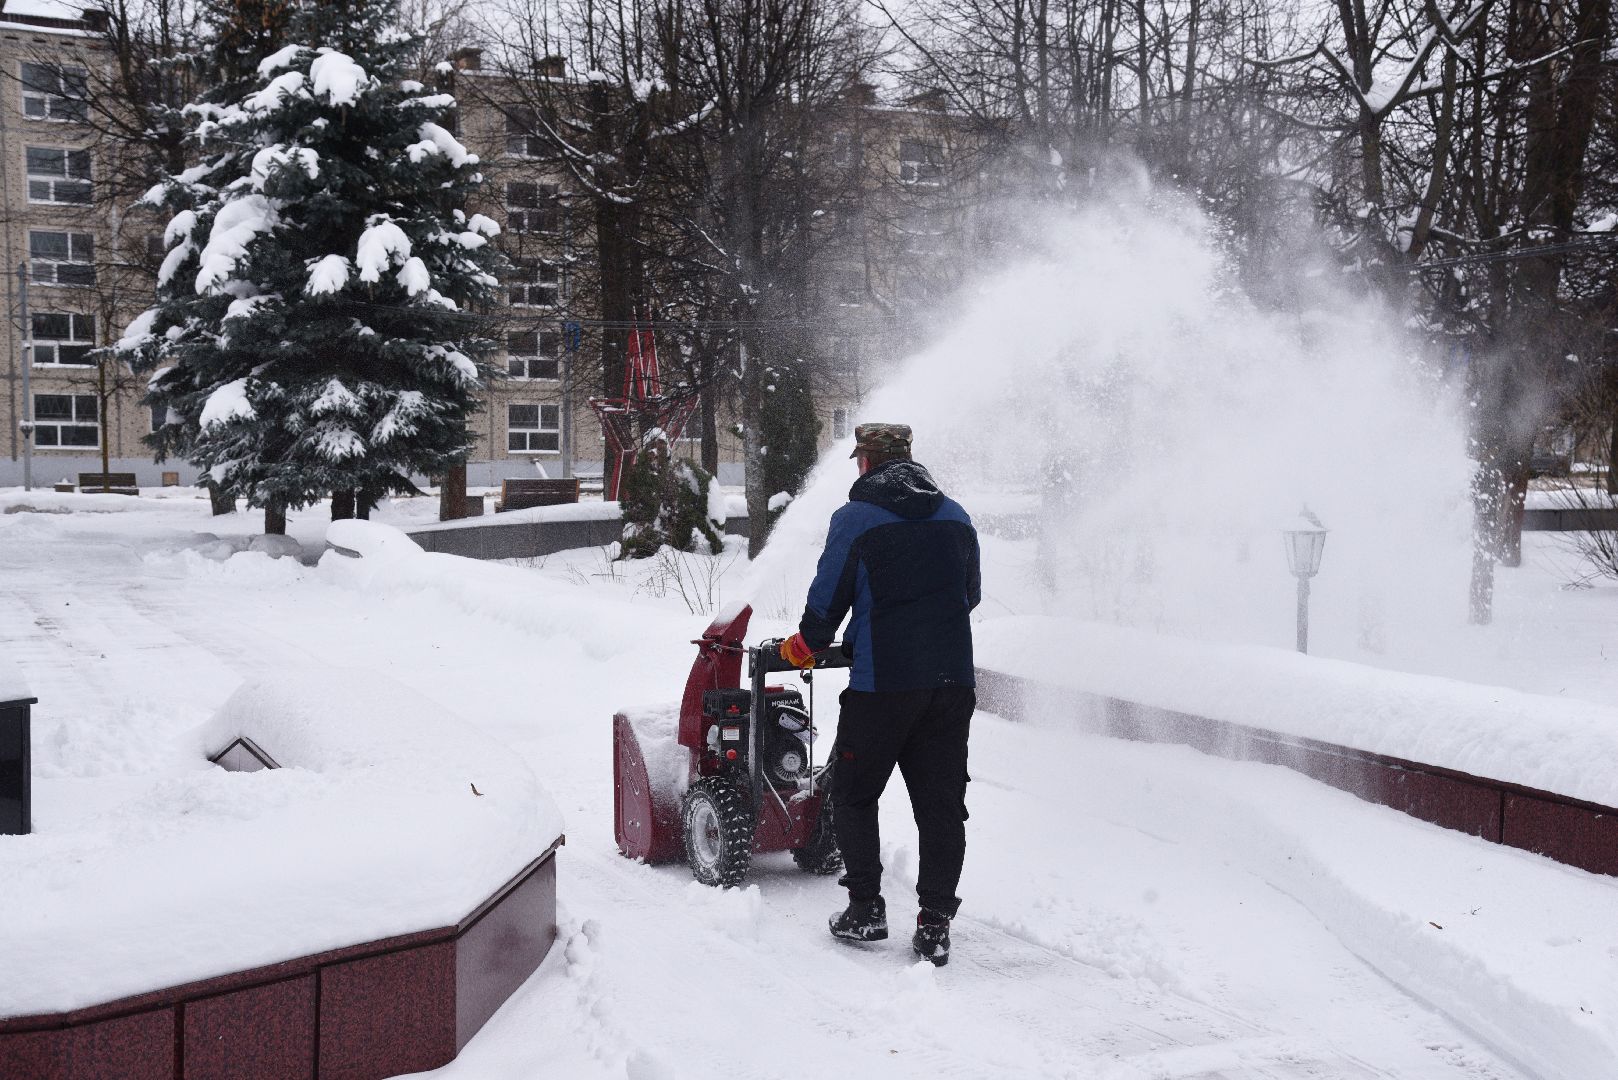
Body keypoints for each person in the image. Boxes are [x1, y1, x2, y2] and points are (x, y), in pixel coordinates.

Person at [779, 423, 980, 966]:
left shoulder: (856, 518)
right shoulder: (956, 516)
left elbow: (827, 602)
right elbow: (968, 595)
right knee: (941, 807)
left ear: (866, 461)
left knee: (854, 792)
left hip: (881, 687)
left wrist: (804, 646)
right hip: (951, 683)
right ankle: (935, 925)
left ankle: (866, 908)